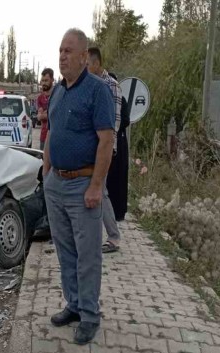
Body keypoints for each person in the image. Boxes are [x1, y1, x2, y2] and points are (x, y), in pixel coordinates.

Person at [43, 29, 116, 345]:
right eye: (60, 50)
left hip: (83, 185)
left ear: (85, 57)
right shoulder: (59, 91)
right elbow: (52, 134)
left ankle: (89, 315)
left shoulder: (98, 91)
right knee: (66, 252)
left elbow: (106, 140)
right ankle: (73, 305)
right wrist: (46, 174)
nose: (62, 56)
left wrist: (96, 186)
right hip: (56, 185)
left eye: (69, 51)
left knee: (88, 256)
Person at [87, 47, 122, 253]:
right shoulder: (91, 85)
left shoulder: (111, 86)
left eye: (88, 65)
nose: (86, 69)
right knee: (94, 189)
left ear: (97, 64)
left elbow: (113, 124)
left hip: (105, 147)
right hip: (93, 147)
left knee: (101, 190)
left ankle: (114, 237)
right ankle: (96, 235)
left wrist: (106, 146)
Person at [106, 71, 131, 222]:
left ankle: (119, 212)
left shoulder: (122, 101)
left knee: (120, 178)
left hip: (119, 143)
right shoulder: (105, 100)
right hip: (109, 142)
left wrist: (113, 127)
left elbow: (125, 120)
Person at [36, 68, 55, 150]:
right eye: (42, 81)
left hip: (55, 138)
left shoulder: (57, 95)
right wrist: (46, 114)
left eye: (46, 80)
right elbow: (39, 117)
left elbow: (55, 114)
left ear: (52, 80)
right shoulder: (40, 98)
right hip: (43, 137)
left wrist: (47, 113)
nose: (44, 83)